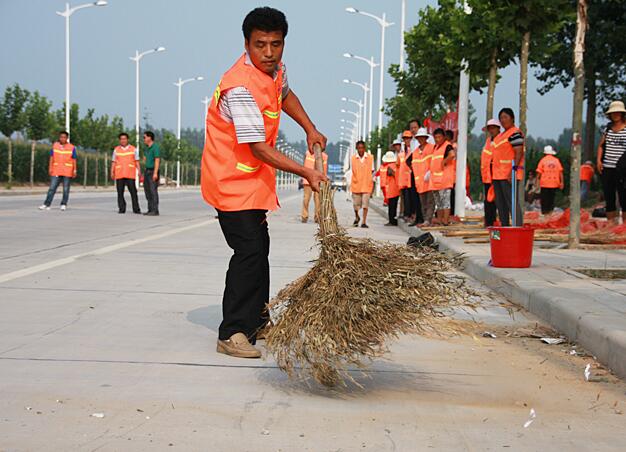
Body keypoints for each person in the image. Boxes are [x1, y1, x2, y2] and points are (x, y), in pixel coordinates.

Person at [201, 7, 327, 358]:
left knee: (261, 247)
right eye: (260, 45)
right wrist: (307, 172)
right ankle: (233, 331)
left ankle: (258, 321)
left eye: (276, 44)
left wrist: (310, 127)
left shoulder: (274, 71)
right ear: (247, 44)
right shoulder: (238, 87)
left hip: (253, 181)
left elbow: (285, 95)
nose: (269, 53)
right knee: (248, 251)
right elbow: (257, 147)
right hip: (229, 181)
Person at [491, 108, 525, 226]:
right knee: (501, 204)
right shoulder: (500, 136)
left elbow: (519, 152)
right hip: (498, 175)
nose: (503, 120)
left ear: (512, 118)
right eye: (501, 118)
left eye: (505, 117)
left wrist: (513, 170)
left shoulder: (515, 133)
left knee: (512, 203)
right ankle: (505, 227)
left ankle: (517, 227)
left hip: (508, 174)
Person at [597, 100, 626, 223]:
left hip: (623, 168)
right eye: (613, 113)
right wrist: (598, 160)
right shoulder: (607, 129)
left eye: (618, 113)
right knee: (609, 196)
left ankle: (624, 226)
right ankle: (611, 225)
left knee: (624, 196)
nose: (616, 115)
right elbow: (601, 146)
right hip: (608, 166)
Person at [39, 131, 76, 211]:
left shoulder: (71, 147)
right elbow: (51, 157)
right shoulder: (55, 146)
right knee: (52, 188)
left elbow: (74, 159)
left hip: (67, 171)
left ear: (67, 138)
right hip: (56, 170)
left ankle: (63, 204)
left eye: (64, 137)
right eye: (61, 137)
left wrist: (74, 170)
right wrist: (50, 168)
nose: (62, 138)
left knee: (66, 189)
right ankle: (46, 204)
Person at [429, 128, 456, 226]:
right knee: (439, 202)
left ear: (444, 137)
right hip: (436, 180)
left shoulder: (447, 146)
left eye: (439, 137)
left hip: (444, 179)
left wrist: (445, 161)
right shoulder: (436, 148)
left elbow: (452, 155)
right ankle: (440, 219)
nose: (437, 139)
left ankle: (445, 220)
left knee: (445, 202)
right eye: (435, 137)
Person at [111, 132, 141, 214]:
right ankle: (121, 208)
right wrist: (112, 172)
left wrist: (139, 171)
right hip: (119, 174)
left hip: (130, 174)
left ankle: (136, 209)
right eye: (121, 139)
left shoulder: (133, 149)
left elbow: (137, 161)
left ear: (127, 139)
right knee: (120, 193)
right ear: (119, 140)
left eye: (124, 139)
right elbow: (113, 162)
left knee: (133, 192)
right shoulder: (116, 150)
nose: (123, 140)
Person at [411, 128, 435, 226]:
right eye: (419, 138)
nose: (420, 139)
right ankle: (425, 219)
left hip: (429, 180)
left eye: (422, 137)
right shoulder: (416, 152)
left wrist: (430, 172)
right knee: (423, 203)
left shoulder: (431, 148)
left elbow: (434, 161)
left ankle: (427, 220)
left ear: (426, 138)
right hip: (420, 182)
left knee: (430, 202)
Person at [480, 119, 501, 227]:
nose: (491, 130)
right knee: (488, 200)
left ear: (498, 129)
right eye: (490, 128)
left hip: (497, 174)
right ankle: (489, 222)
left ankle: (499, 222)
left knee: (498, 200)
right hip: (487, 176)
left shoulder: (501, 141)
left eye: (493, 128)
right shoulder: (488, 141)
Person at [301, 147, 328, 223]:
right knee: (306, 198)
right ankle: (304, 216)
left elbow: (325, 169)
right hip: (307, 180)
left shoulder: (324, 156)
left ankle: (317, 217)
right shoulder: (307, 154)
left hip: (319, 181)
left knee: (318, 200)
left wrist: (324, 180)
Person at [351, 140, 374, 228]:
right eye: (359, 148)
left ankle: (364, 221)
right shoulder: (353, 158)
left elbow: (372, 170)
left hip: (366, 184)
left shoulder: (370, 157)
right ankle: (357, 217)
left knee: (365, 205)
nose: (361, 150)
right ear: (356, 148)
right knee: (356, 206)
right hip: (356, 185)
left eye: (362, 148)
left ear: (364, 148)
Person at [536, 145, 564, 215]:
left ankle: (545, 214)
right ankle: (550, 213)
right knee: (551, 199)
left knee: (544, 200)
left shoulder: (543, 160)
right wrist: (562, 182)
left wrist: (537, 183)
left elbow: (539, 173)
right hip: (554, 183)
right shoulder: (556, 161)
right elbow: (561, 172)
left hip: (544, 183)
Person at [142, 131, 161, 216]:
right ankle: (150, 209)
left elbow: (157, 160)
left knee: (153, 191)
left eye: (145, 137)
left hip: (153, 171)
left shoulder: (155, 147)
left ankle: (155, 210)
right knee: (147, 191)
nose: (144, 139)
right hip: (147, 170)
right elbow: (145, 158)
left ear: (150, 138)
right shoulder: (146, 148)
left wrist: (155, 173)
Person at [381, 150, 400, 226]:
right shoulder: (396, 165)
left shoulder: (388, 167)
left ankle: (391, 221)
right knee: (393, 206)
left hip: (391, 189)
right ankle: (392, 220)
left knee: (391, 206)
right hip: (396, 188)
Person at [398, 131, 413, 220]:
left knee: (411, 198)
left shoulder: (413, 149)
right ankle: (406, 214)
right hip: (404, 180)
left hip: (412, 178)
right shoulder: (403, 152)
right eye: (405, 138)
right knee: (405, 198)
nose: (406, 140)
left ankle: (409, 214)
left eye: (408, 138)